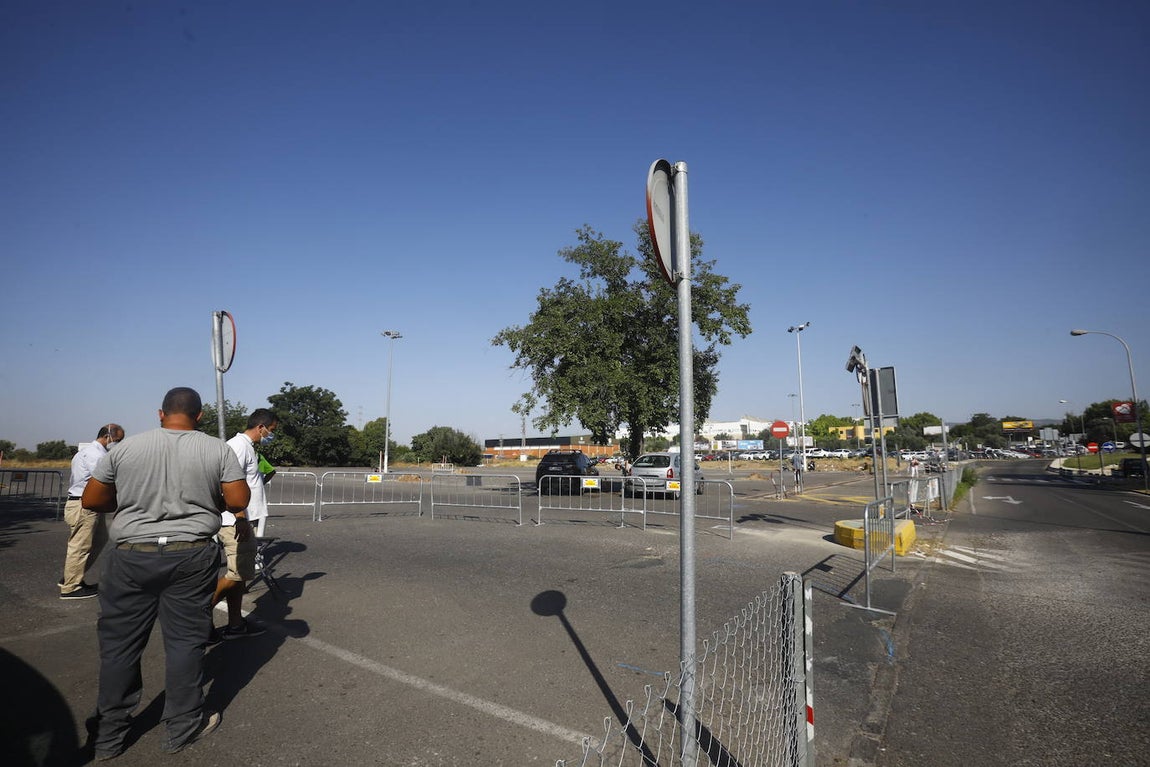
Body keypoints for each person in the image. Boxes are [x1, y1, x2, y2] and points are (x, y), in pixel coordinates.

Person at [81, 387, 248, 759]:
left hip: (130, 556)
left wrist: (129, 503)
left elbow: (92, 499)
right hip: (190, 554)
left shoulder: (125, 448)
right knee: (185, 642)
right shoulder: (216, 449)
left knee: (120, 646)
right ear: (200, 416)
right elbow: (237, 500)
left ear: (160, 414)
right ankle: (182, 727)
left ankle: (109, 737)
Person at [213, 408, 278, 640]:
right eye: (270, 431)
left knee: (239, 576)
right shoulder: (238, 446)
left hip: (241, 519)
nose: (271, 435)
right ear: (260, 427)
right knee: (236, 575)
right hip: (235, 521)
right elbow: (229, 483)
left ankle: (235, 623)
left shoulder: (246, 446)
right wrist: (240, 516)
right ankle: (198, 619)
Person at [59, 424, 124, 600]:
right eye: (117, 441)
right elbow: (107, 480)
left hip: (88, 505)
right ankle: (70, 587)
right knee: (80, 547)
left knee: (98, 540)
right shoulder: (97, 456)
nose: (117, 444)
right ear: (107, 437)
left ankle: (72, 576)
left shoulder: (86, 452)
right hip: (84, 505)